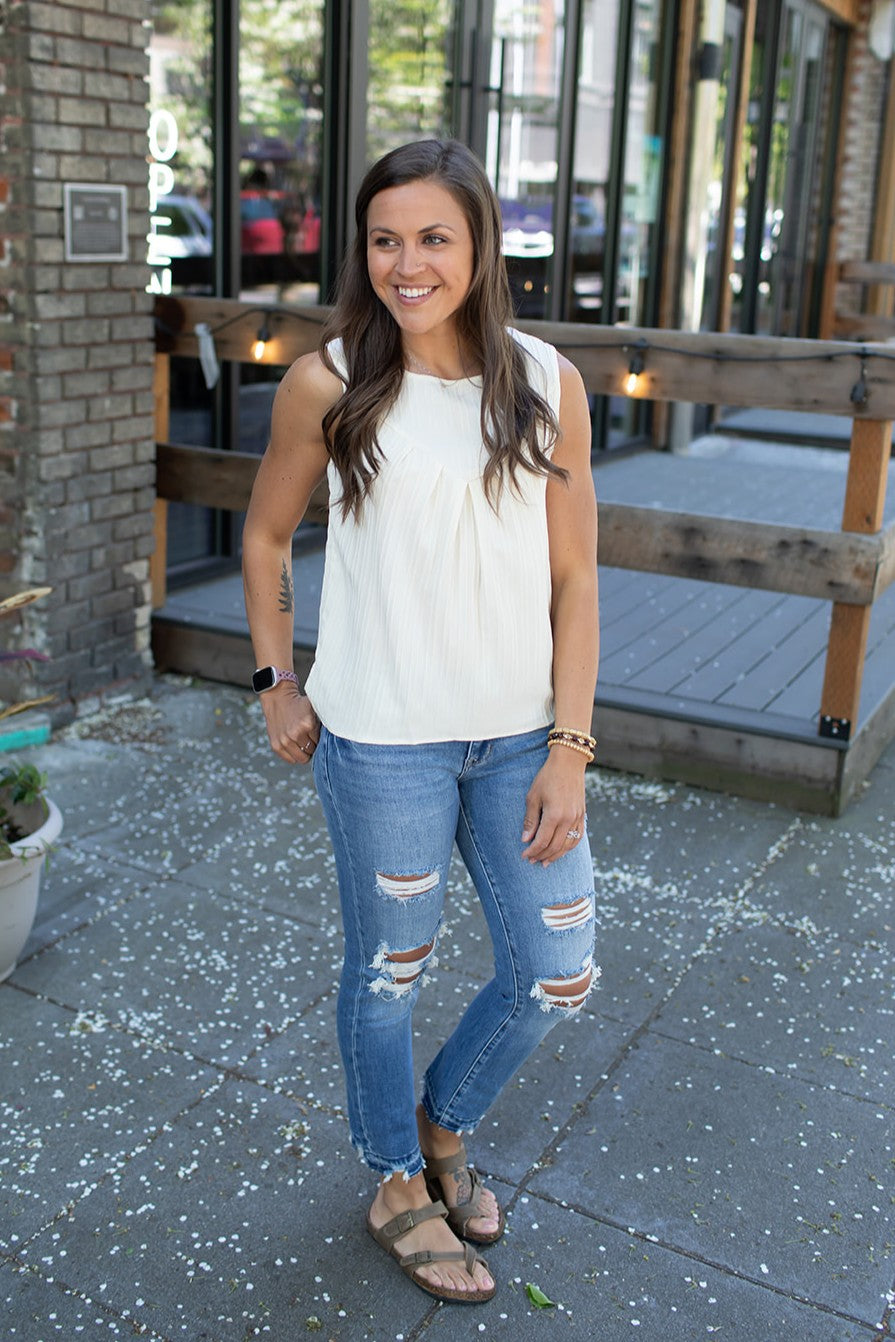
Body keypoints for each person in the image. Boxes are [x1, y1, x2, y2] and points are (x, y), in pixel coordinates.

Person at [242, 138, 599, 1306]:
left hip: (519, 741)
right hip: (381, 743)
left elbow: (575, 579)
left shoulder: (546, 380)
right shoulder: (329, 380)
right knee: (389, 970)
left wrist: (570, 746)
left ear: (481, 245)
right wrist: (275, 679)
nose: (408, 264)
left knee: (555, 972)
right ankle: (396, 1178)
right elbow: (264, 534)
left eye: (434, 238)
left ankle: (442, 1122)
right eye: (385, 239)